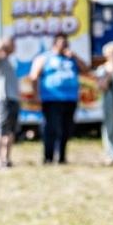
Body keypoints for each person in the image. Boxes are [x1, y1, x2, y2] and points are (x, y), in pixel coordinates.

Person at [28, 33, 82, 164]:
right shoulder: (45, 58)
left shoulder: (71, 59)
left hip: (70, 99)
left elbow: (85, 69)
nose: (64, 46)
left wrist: (75, 56)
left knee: (66, 129)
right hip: (51, 99)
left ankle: (62, 157)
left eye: (66, 44)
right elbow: (34, 76)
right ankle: (48, 157)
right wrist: (36, 94)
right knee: (51, 128)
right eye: (61, 43)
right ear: (55, 44)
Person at [0, 37, 19, 169]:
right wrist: (4, 43)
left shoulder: (10, 61)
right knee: (1, 129)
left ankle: (6, 158)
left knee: (10, 131)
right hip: (3, 98)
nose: (15, 47)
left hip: (13, 99)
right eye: (12, 44)